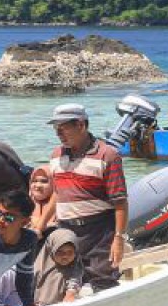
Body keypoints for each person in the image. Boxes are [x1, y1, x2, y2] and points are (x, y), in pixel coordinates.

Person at [46, 103, 129, 294]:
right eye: (55, 128)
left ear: (81, 125)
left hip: (99, 231)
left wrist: (119, 238)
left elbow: (120, 202)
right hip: (66, 229)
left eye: (63, 127)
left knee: (102, 281)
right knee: (65, 281)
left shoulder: (108, 155)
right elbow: (58, 193)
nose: (58, 133)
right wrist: (41, 225)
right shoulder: (56, 155)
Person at [32, 228, 84, 306]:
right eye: (60, 252)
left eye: (70, 252)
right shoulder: (38, 268)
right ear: (51, 250)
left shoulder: (74, 268)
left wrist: (71, 293)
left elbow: (74, 282)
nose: (65, 256)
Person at [28, 165, 57, 234]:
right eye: (34, 181)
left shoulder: (62, 209)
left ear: (53, 183)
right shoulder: (23, 204)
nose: (38, 186)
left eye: (44, 181)